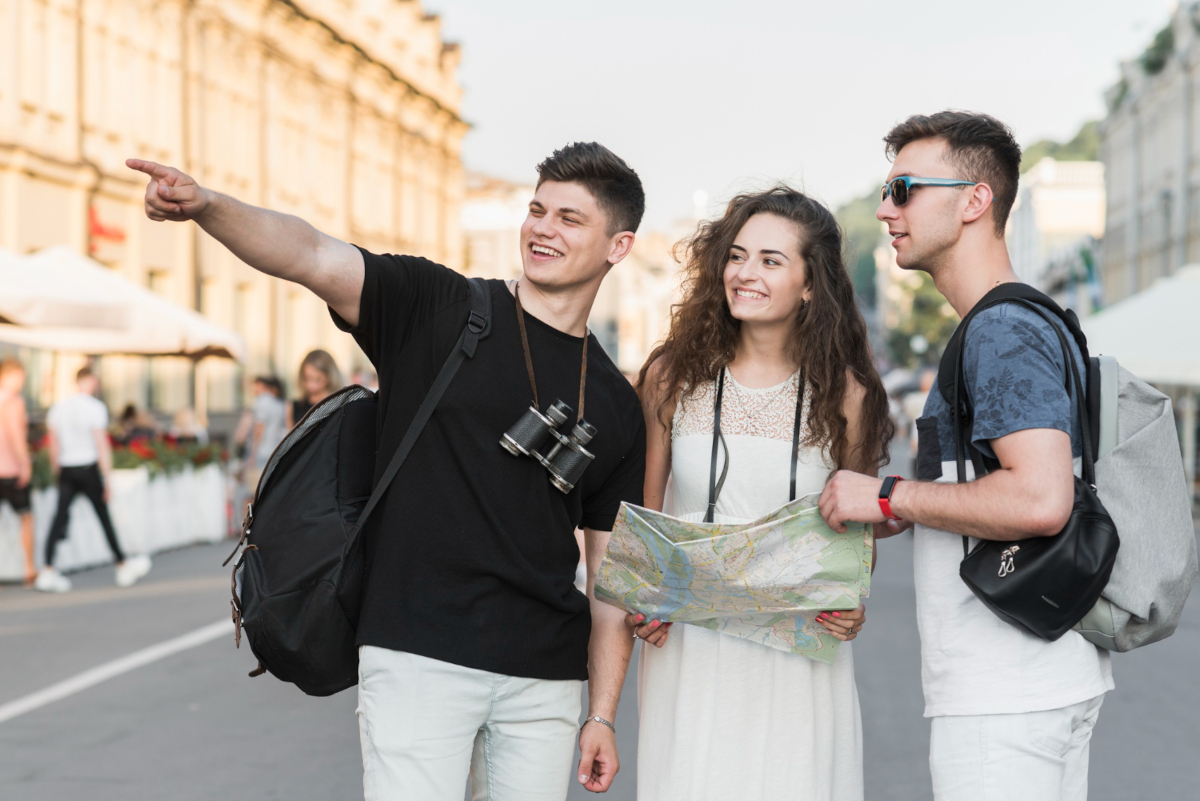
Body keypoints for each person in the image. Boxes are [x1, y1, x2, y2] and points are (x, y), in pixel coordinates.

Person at [128, 141, 648, 800]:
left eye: (570, 219)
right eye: (537, 209)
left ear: (618, 245)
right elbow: (311, 252)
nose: (543, 228)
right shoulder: (441, 307)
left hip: (543, 677)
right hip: (416, 655)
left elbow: (610, 582)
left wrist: (601, 712)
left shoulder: (615, 402)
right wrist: (207, 205)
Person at [819, 111, 1112, 801]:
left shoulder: (1000, 330)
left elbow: (1041, 499)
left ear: (976, 200)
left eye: (907, 189)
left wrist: (888, 495)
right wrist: (924, 510)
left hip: (1004, 692)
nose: (888, 210)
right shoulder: (1025, 319)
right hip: (1042, 673)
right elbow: (1005, 485)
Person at [630, 187, 893, 801]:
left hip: (797, 654)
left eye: (771, 261)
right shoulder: (672, 377)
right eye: (737, 256)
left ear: (810, 284)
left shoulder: (848, 395)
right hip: (692, 652)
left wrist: (854, 602)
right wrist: (645, 600)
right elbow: (647, 522)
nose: (745, 273)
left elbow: (858, 547)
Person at [38, 367, 151, 592]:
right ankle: (121, 564)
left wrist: (57, 472)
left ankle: (48, 568)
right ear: (89, 381)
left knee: (59, 518)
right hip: (88, 467)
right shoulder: (95, 408)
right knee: (103, 517)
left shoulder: (59, 408)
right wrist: (107, 478)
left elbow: (54, 446)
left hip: (67, 468)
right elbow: (101, 444)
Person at [0, 358, 36, 584]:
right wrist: (25, 464)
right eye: (19, 376)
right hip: (10, 470)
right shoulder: (13, 401)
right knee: (27, 518)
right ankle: (29, 569)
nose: (22, 381)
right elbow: (16, 435)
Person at [242, 376, 286, 489]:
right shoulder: (279, 403)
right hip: (275, 450)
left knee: (254, 490)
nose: (253, 390)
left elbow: (259, 429)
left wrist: (252, 453)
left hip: (261, 452)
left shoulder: (262, 401)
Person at [286, 349, 344, 428]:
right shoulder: (294, 407)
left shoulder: (339, 405)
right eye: (307, 378)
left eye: (318, 379)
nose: (311, 384)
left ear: (330, 376)